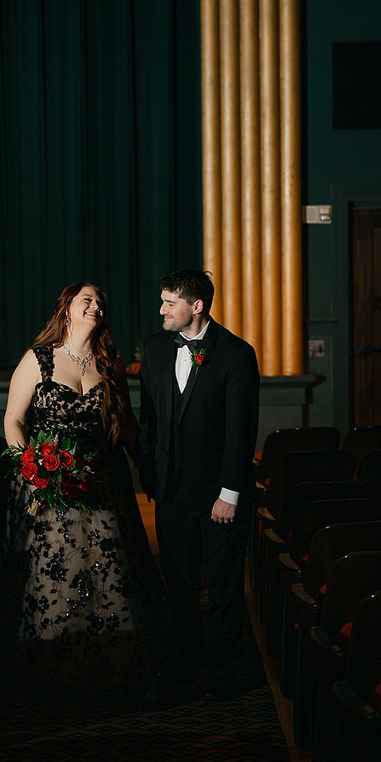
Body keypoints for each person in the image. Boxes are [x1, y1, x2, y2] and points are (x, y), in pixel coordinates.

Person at [2, 281, 166, 705]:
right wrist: (31, 466)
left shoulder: (108, 362)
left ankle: (111, 673)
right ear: (67, 309)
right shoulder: (38, 359)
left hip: (105, 482)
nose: (96, 306)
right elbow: (13, 420)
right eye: (86, 299)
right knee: (58, 577)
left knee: (110, 573)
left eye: (100, 302)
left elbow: (127, 424)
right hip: (53, 489)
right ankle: (57, 674)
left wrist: (145, 468)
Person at [139, 268, 260, 699]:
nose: (161, 309)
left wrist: (229, 494)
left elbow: (240, 431)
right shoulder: (154, 349)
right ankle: (183, 667)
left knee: (224, 588)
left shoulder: (236, 354)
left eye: (169, 302)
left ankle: (224, 674)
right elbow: (149, 418)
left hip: (218, 497)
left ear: (197, 306)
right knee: (180, 586)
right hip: (171, 492)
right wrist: (151, 474)